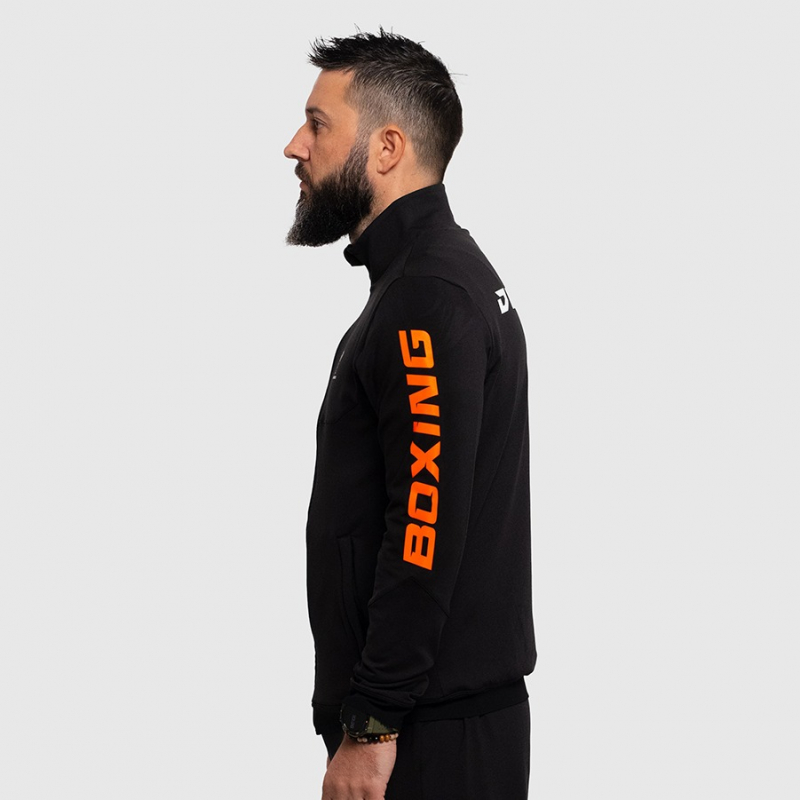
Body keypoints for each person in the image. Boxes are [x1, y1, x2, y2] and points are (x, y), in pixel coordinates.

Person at [284, 30, 536, 800]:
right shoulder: (431, 279)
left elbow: (423, 521)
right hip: (432, 726)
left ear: (387, 147)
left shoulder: (426, 295)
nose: (294, 146)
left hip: (427, 739)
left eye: (318, 124)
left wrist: (372, 725)